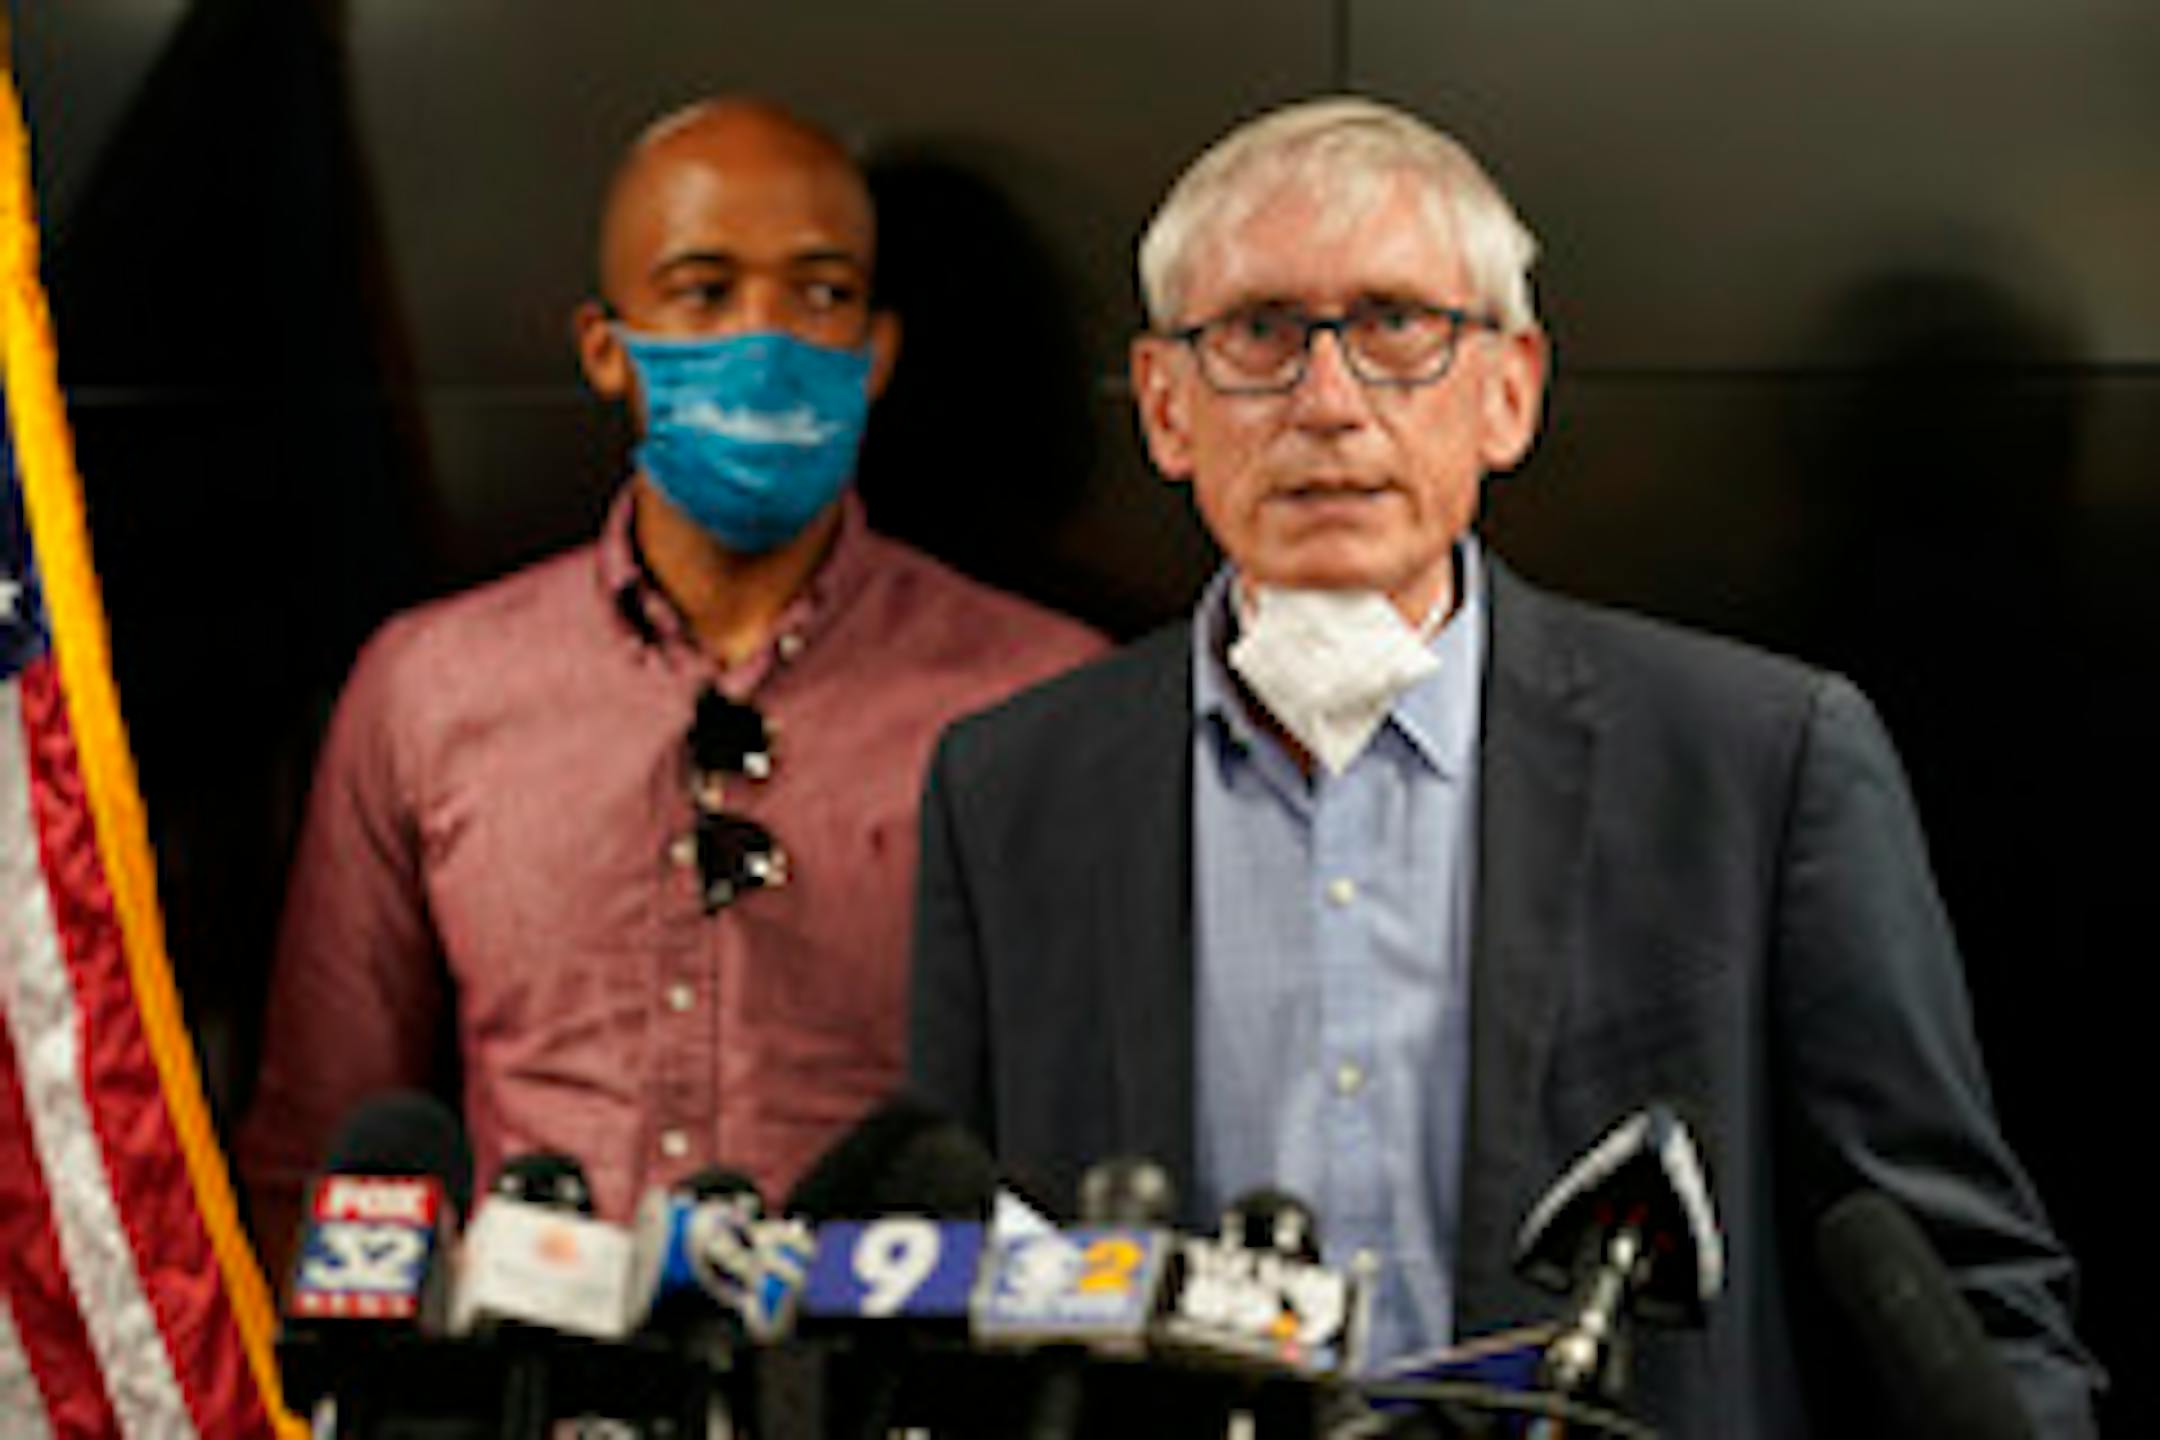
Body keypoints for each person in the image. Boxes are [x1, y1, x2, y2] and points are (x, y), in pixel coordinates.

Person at [907, 96, 2100, 1434]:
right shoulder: (1012, 793)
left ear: (1510, 392)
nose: (1329, 401)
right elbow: (959, 1304)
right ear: (1168, 408)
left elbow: (1957, 1286)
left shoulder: (1753, 765)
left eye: (1397, 327)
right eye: (1259, 334)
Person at [237, 98, 1104, 1269]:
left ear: (878, 349)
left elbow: (1090, 1145)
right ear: (606, 347)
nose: (767, 339)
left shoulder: (1036, 693)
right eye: (704, 291)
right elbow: (315, 1151)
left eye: (821, 293)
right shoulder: (430, 686)